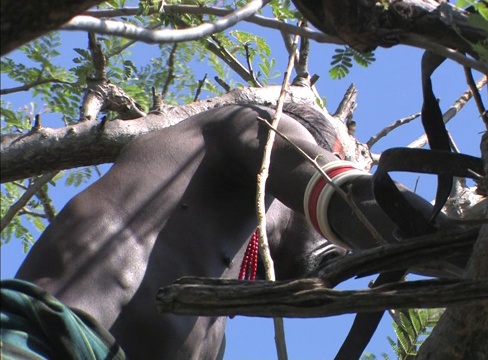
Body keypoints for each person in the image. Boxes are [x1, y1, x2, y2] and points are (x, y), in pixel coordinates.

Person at [1, 98, 438, 359]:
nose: (336, 251)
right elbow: (344, 198)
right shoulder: (245, 126)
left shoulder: (212, 326)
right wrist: (451, 245)